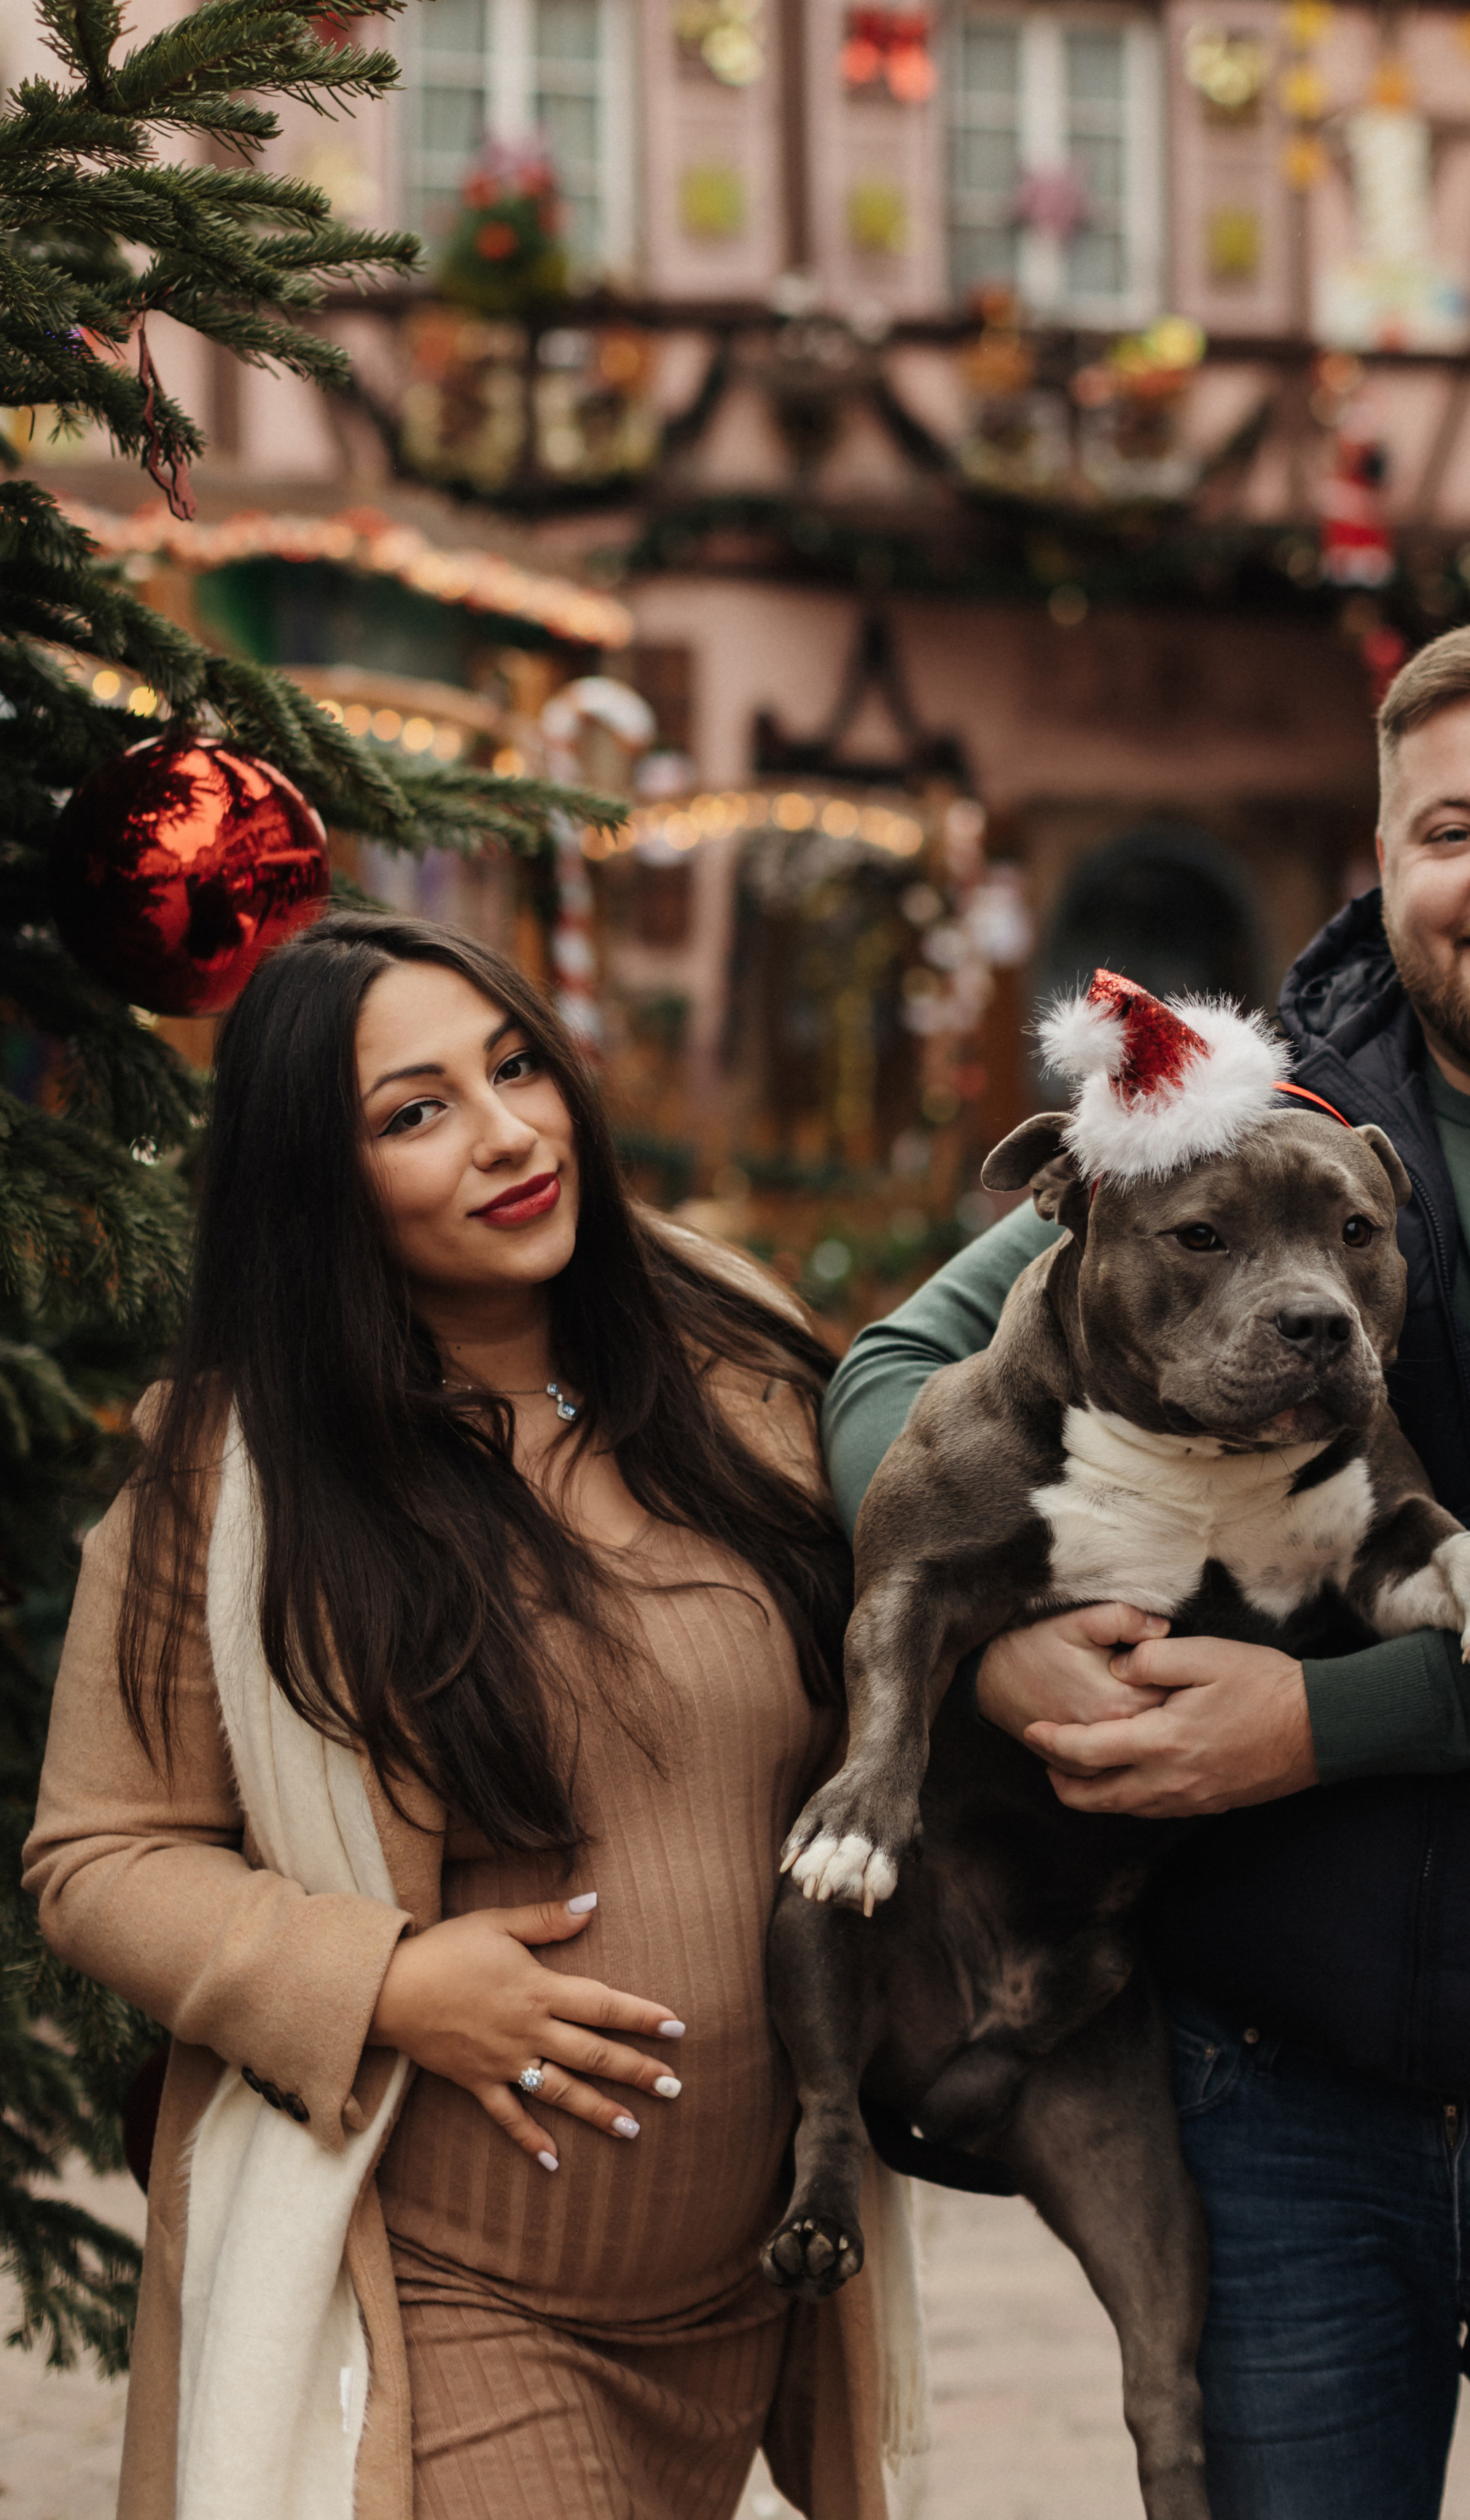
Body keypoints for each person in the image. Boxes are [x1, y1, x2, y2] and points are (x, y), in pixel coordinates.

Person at [824, 618, 1470, 2520]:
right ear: (1383, 863)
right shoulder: (1242, 1132)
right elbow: (900, 1376)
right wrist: (988, 1651)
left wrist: (1316, 1726)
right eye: (1451, 830)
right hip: (1266, 2096)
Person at [26, 912, 893, 2520]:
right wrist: (387, 1982)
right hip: (445, 2299)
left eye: (515, 1069)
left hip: (742, 2298)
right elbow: (98, 1855)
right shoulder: (236, 1483)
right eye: (415, 1112)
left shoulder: (735, 1371)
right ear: (318, 1182)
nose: (506, 1134)